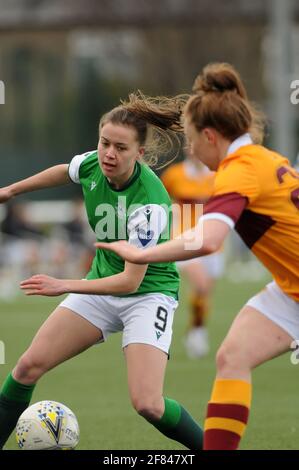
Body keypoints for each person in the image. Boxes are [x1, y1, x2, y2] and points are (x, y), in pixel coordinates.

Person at [95, 63, 299, 450]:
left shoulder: (239, 171)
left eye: (191, 140)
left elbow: (208, 241)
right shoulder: (261, 158)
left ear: (209, 136)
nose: (190, 149)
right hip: (291, 290)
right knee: (233, 356)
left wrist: (142, 253)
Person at [0, 93, 203, 450]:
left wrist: (64, 284)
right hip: (99, 286)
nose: (109, 153)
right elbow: (66, 170)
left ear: (139, 154)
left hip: (147, 294)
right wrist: (13, 190)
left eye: (121, 148)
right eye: (104, 143)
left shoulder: (150, 204)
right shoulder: (95, 163)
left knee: (148, 404)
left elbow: (129, 281)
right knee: (27, 367)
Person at [161, 153, 224, 358]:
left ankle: (196, 328)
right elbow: (160, 198)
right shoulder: (175, 174)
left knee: (204, 294)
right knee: (200, 284)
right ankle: (197, 333)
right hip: (186, 237)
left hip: (213, 238)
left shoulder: (218, 174)